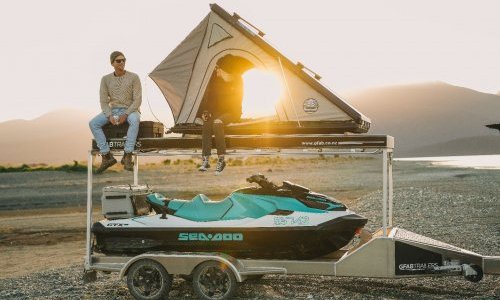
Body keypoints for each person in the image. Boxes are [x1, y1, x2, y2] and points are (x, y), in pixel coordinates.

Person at [89, 51, 142, 174]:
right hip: (112, 110)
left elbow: (138, 100)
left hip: (131, 109)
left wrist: (126, 114)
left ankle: (127, 155)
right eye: (118, 61)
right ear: (112, 63)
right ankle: (107, 156)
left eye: (124, 60)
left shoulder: (134, 77)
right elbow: (103, 101)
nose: (122, 62)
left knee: (135, 120)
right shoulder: (105, 79)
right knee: (93, 123)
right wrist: (109, 115)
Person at [198, 64, 243, 175]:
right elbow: (211, 100)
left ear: (224, 70)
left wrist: (221, 116)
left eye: (218, 69)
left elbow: (237, 101)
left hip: (232, 112)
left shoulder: (237, 80)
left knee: (217, 123)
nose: (216, 72)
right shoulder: (217, 81)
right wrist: (206, 113)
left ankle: (221, 160)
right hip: (218, 113)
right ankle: (206, 160)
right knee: (207, 122)